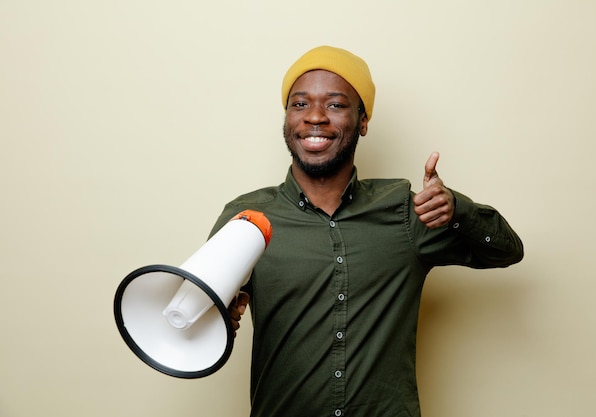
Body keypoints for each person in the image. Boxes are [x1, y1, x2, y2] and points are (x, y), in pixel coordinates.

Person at [210, 46, 524, 417]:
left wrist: (457, 209)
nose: (314, 117)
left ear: (362, 121)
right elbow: (200, 318)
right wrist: (217, 322)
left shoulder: (407, 212)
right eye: (299, 104)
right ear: (287, 119)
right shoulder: (247, 218)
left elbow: (506, 251)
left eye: (335, 105)